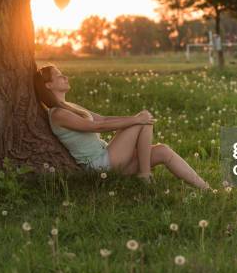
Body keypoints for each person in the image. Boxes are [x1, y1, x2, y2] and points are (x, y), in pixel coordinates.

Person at [33, 64, 211, 190]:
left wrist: (135, 118)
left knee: (162, 150)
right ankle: (145, 176)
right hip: (99, 165)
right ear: (49, 85)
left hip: (109, 156)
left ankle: (206, 189)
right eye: (59, 76)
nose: (65, 77)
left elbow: (103, 118)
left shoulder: (69, 106)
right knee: (142, 121)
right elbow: (99, 126)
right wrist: (136, 119)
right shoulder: (58, 114)